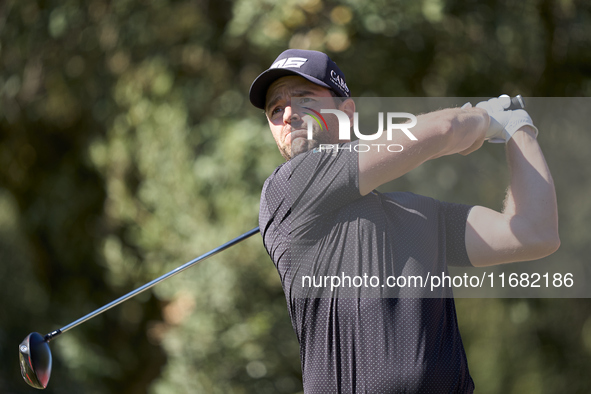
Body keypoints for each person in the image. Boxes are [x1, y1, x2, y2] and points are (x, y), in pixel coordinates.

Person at [249, 49, 560, 393]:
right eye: (275, 109)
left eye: (304, 98)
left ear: (346, 113)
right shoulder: (285, 190)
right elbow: (443, 128)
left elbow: (535, 233)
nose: (289, 114)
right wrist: (483, 120)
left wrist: (518, 126)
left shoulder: (419, 213)